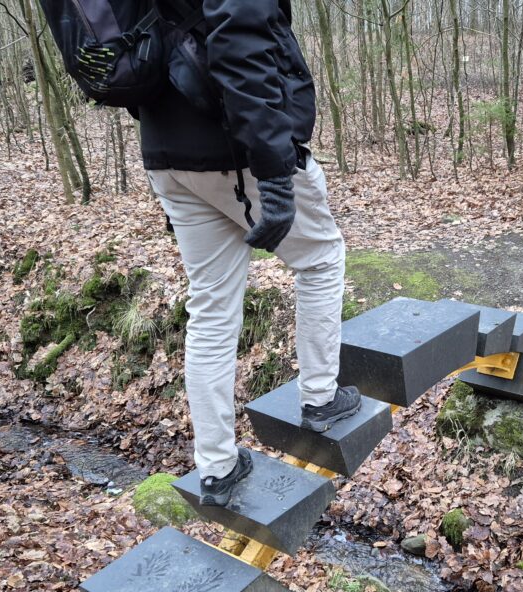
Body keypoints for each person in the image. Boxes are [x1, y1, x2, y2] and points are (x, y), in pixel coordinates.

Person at [138, 0, 360, 506]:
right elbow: (241, 43)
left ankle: (216, 466)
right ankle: (321, 398)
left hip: (166, 151)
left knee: (211, 308)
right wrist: (275, 167)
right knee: (321, 259)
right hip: (234, 149)